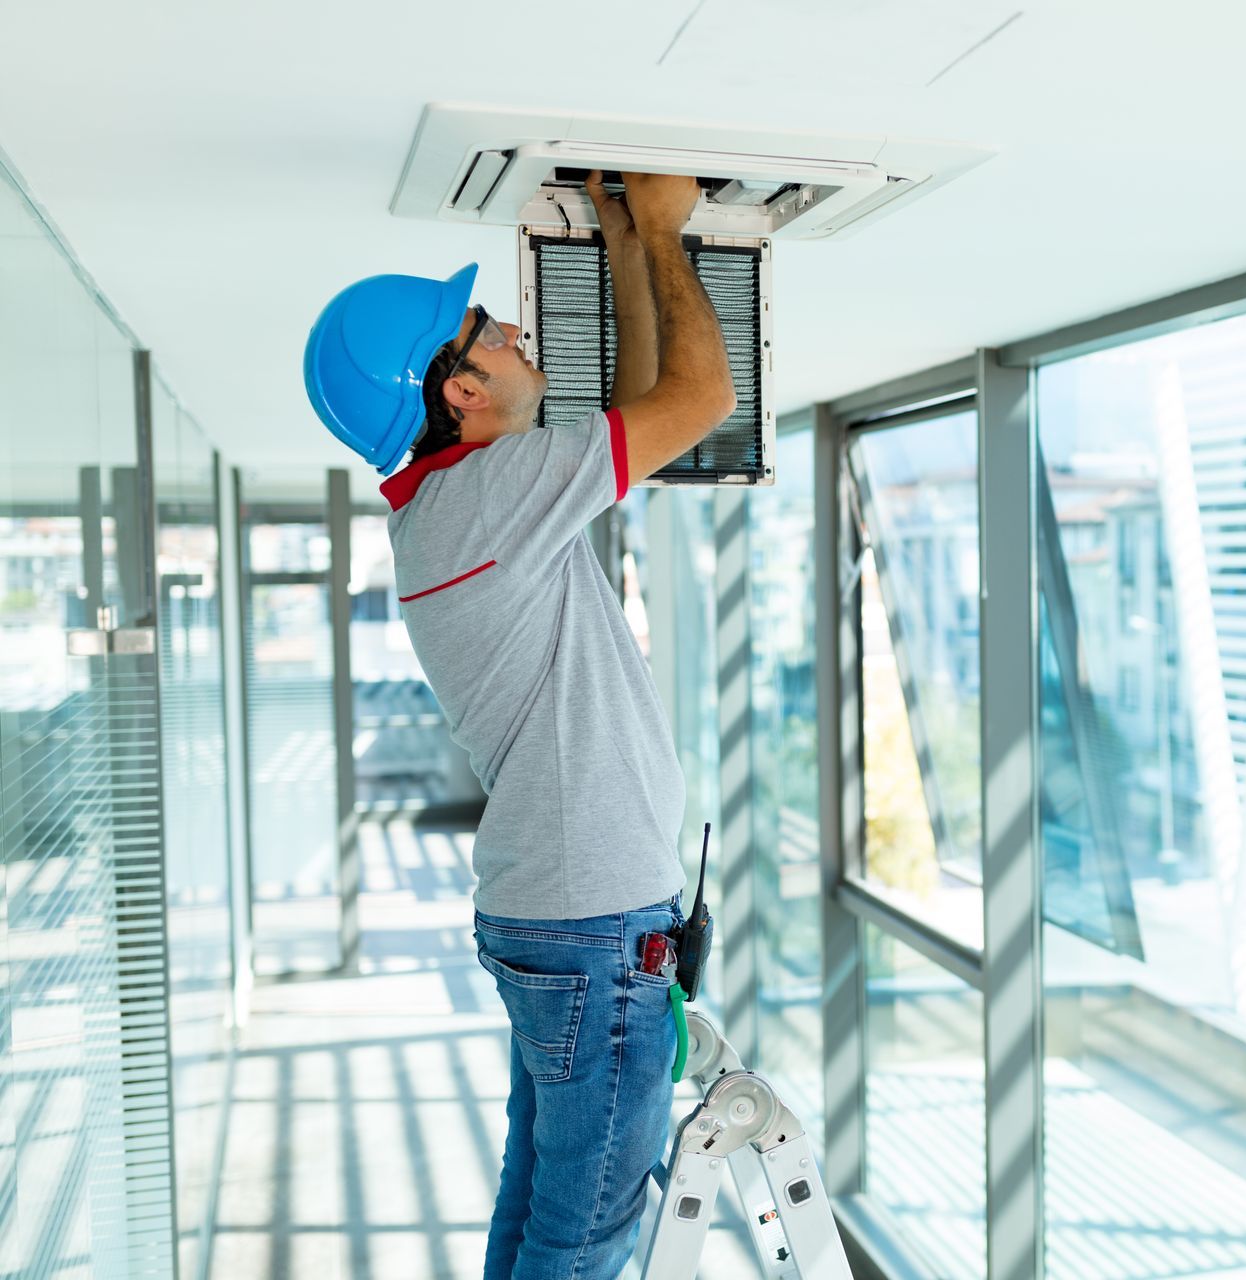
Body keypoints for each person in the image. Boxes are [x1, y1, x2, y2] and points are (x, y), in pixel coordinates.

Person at [302, 171, 735, 1279]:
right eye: (482, 329)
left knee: (548, 1201)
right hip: (591, 929)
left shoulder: (466, 507)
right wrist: (673, 231)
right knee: (582, 1225)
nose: (510, 328)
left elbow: (653, 401)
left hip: (570, 921)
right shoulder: (497, 498)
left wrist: (637, 236)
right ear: (457, 391)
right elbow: (700, 395)